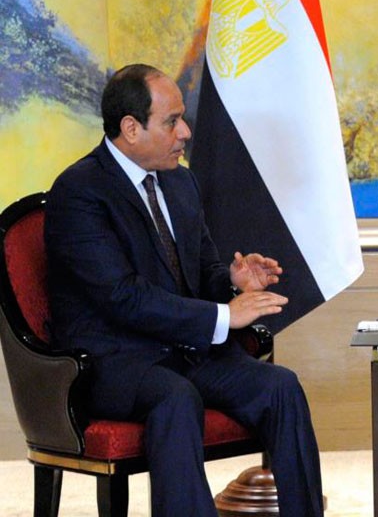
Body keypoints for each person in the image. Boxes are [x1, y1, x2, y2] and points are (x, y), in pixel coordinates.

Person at [44, 64, 324, 516]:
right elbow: (123, 296)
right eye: (172, 121)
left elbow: (201, 274)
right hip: (112, 362)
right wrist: (224, 316)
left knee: (280, 387)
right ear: (131, 129)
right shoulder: (79, 193)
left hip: (186, 351)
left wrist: (231, 283)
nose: (186, 132)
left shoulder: (179, 181)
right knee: (175, 397)